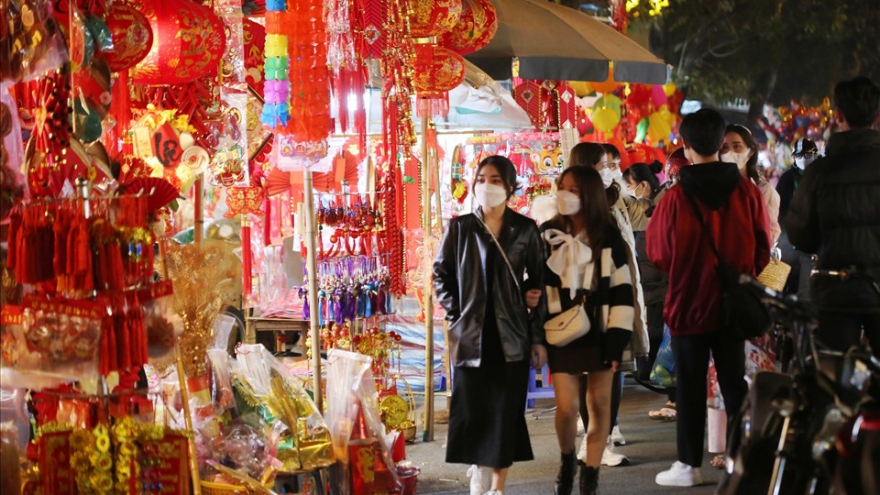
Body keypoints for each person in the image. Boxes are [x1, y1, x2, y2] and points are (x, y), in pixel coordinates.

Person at [647, 108, 771, 487]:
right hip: (733, 305)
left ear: (685, 146)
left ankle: (688, 465)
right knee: (734, 384)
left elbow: (659, 254)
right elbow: (763, 249)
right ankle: (740, 458)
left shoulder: (674, 197)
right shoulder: (748, 192)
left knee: (689, 386)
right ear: (721, 144)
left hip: (688, 303)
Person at [433, 155, 547, 495]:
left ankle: (498, 485)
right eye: (481, 178)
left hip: (511, 335)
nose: (487, 185)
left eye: (495, 180)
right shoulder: (460, 227)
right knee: (473, 407)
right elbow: (441, 275)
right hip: (470, 335)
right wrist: (457, 313)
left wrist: (537, 337)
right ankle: (478, 467)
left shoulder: (526, 229)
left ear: (510, 187)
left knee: (505, 411)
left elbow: (540, 286)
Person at [542, 165, 634, 495]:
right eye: (562, 187)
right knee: (566, 408)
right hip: (560, 330)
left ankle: (590, 479)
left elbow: (623, 290)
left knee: (600, 408)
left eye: (575, 189)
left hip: (600, 330)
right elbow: (539, 290)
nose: (565, 193)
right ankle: (567, 463)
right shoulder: (548, 234)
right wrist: (538, 337)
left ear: (591, 194)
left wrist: (617, 340)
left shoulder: (608, 236)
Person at [567, 143, 649, 468]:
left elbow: (642, 217)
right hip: (588, 302)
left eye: (611, 164)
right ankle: (594, 442)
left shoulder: (615, 199)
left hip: (621, 295)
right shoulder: (570, 205)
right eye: (604, 164)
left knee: (615, 371)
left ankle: (604, 434)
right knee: (592, 371)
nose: (611, 169)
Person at [786, 76, 880, 357]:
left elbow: (800, 233)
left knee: (834, 378)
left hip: (835, 288)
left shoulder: (819, 171)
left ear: (838, 116)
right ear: (877, 116)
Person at [721, 124, 781, 244]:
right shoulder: (716, 186)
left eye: (737, 146)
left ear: (750, 152)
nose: (729, 152)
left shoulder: (763, 190)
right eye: (725, 147)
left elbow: (769, 235)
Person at [776, 137, 819, 300]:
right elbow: (780, 211)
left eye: (807, 156)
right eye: (799, 156)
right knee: (779, 285)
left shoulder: (821, 176)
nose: (803, 160)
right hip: (788, 243)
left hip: (811, 247)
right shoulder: (787, 178)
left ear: (815, 155)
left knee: (805, 292)